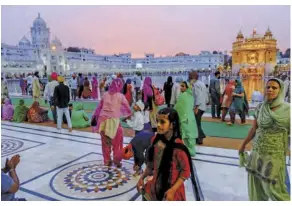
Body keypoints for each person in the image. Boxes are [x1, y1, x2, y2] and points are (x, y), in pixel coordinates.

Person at [239, 78, 290, 201]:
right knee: (256, 186)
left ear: (281, 90)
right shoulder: (260, 107)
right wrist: (243, 145)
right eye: (268, 87)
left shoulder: (288, 109)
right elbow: (254, 129)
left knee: (275, 189)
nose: (270, 90)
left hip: (274, 154)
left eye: (274, 88)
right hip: (257, 152)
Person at [136, 108, 200, 201]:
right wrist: (142, 178)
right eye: (157, 121)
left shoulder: (179, 148)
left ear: (172, 125)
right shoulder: (155, 141)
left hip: (172, 190)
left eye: (162, 122)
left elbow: (185, 172)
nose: (158, 124)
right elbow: (150, 166)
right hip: (155, 186)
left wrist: (173, 190)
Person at [91, 78, 132, 167]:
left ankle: (107, 161)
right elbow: (128, 109)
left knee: (105, 143)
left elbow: (99, 107)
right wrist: (126, 114)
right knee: (117, 142)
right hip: (114, 123)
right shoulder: (120, 96)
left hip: (102, 122)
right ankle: (117, 160)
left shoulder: (105, 95)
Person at [174, 81, 197, 156]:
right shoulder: (190, 96)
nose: (181, 88)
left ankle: (189, 151)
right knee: (190, 135)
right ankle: (191, 150)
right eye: (181, 86)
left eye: (183, 86)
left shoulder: (183, 96)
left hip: (185, 118)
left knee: (187, 136)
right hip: (190, 118)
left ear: (187, 87)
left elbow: (178, 107)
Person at [189, 71, 207, 145]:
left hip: (198, 107)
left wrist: (196, 107)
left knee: (196, 123)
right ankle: (198, 137)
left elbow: (198, 96)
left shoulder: (195, 85)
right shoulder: (201, 83)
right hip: (202, 106)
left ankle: (200, 137)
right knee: (197, 123)